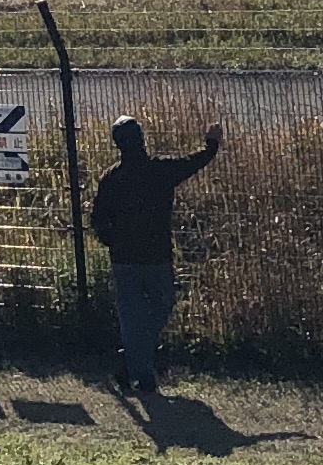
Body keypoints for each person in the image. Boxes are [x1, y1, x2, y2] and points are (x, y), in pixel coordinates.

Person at [86, 114, 221, 398]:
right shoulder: (158, 171)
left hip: (124, 259)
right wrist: (211, 146)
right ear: (141, 140)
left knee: (132, 316)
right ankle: (142, 374)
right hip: (156, 256)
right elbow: (192, 163)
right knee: (161, 306)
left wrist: (112, 241)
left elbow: (97, 218)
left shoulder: (112, 177)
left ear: (117, 144)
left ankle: (130, 362)